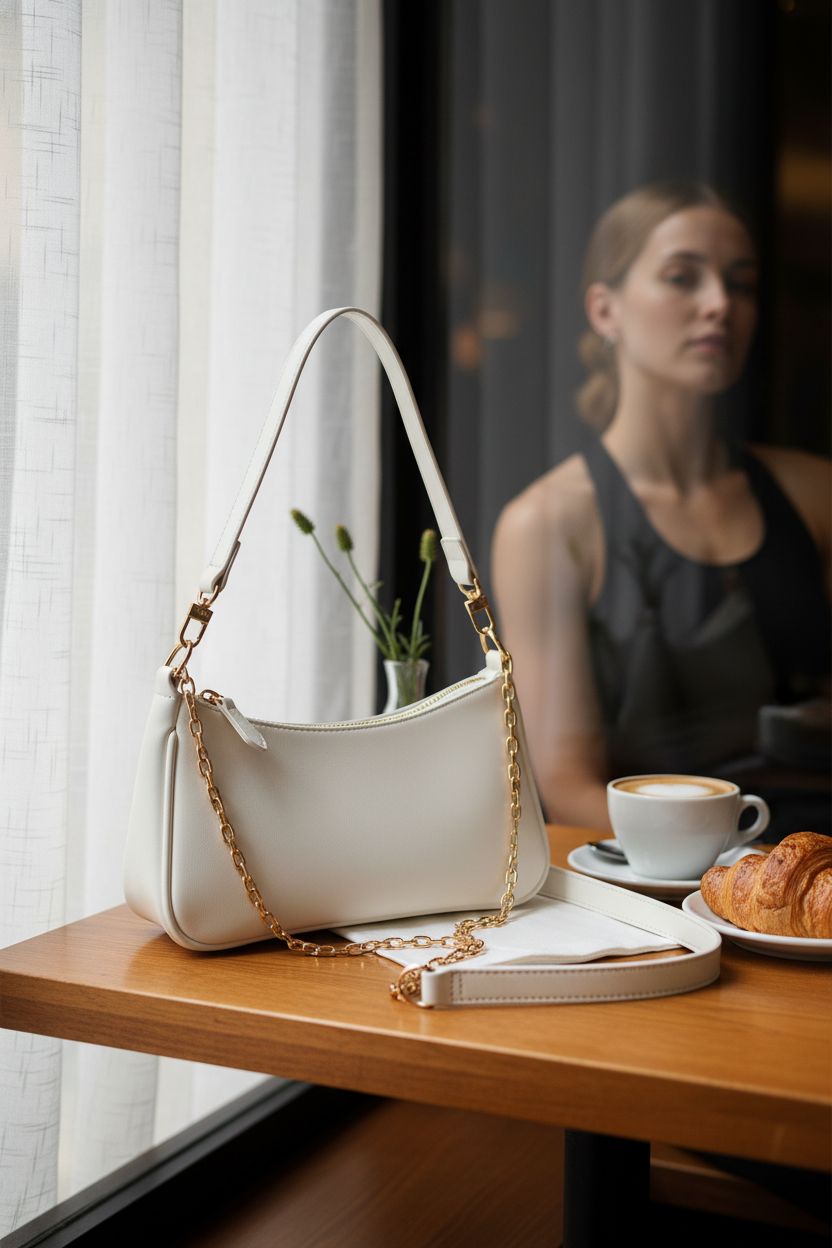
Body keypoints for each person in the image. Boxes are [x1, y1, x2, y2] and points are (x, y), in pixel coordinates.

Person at [491, 181, 831, 833]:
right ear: (604, 310)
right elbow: (566, 785)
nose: (719, 305)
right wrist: (732, 873)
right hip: (675, 875)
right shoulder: (551, 524)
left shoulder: (815, 495)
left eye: (742, 284)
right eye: (682, 278)